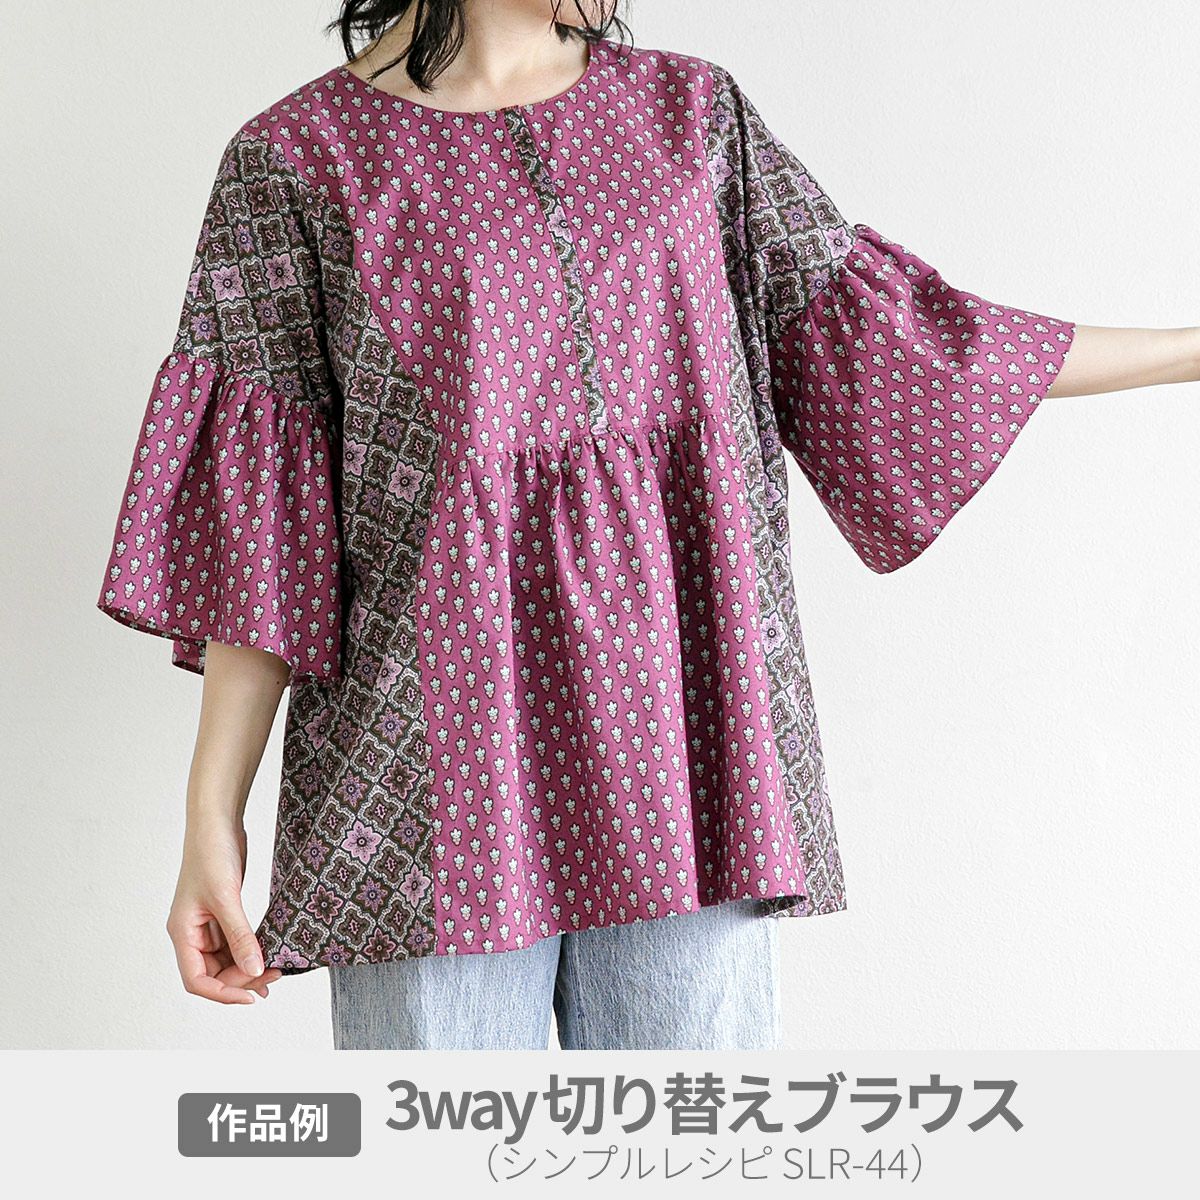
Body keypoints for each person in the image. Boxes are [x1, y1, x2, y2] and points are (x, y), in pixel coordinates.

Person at [95, 0, 1199, 1051]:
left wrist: (1186, 350)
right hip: (430, 772)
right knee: (439, 1142)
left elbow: (905, 343)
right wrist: (211, 821)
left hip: (685, 743)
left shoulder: (692, 116)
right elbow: (262, 527)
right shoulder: (296, 158)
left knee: (683, 1146)